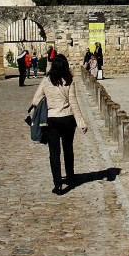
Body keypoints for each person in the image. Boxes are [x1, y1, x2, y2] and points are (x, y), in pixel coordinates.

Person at [30, 53, 87, 195]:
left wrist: (47, 102)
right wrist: (81, 122)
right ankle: (70, 177)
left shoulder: (46, 81)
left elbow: (35, 101)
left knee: (54, 153)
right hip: (68, 119)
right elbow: (73, 103)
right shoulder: (69, 81)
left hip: (52, 120)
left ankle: (58, 184)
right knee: (68, 149)